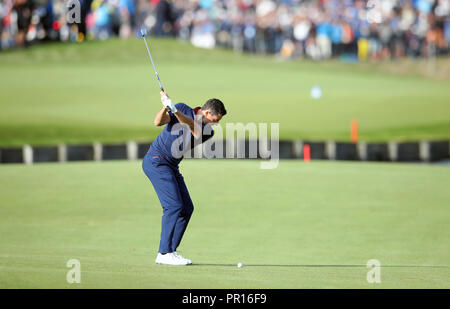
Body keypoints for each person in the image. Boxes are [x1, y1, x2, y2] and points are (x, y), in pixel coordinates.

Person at [142, 91, 227, 265]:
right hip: (157, 161)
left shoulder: (207, 130)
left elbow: (193, 128)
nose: (216, 124)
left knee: (187, 208)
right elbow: (158, 122)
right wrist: (166, 106)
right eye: (216, 119)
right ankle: (164, 253)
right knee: (173, 206)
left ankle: (170, 251)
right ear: (207, 113)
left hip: (171, 166)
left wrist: (176, 112)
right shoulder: (181, 107)